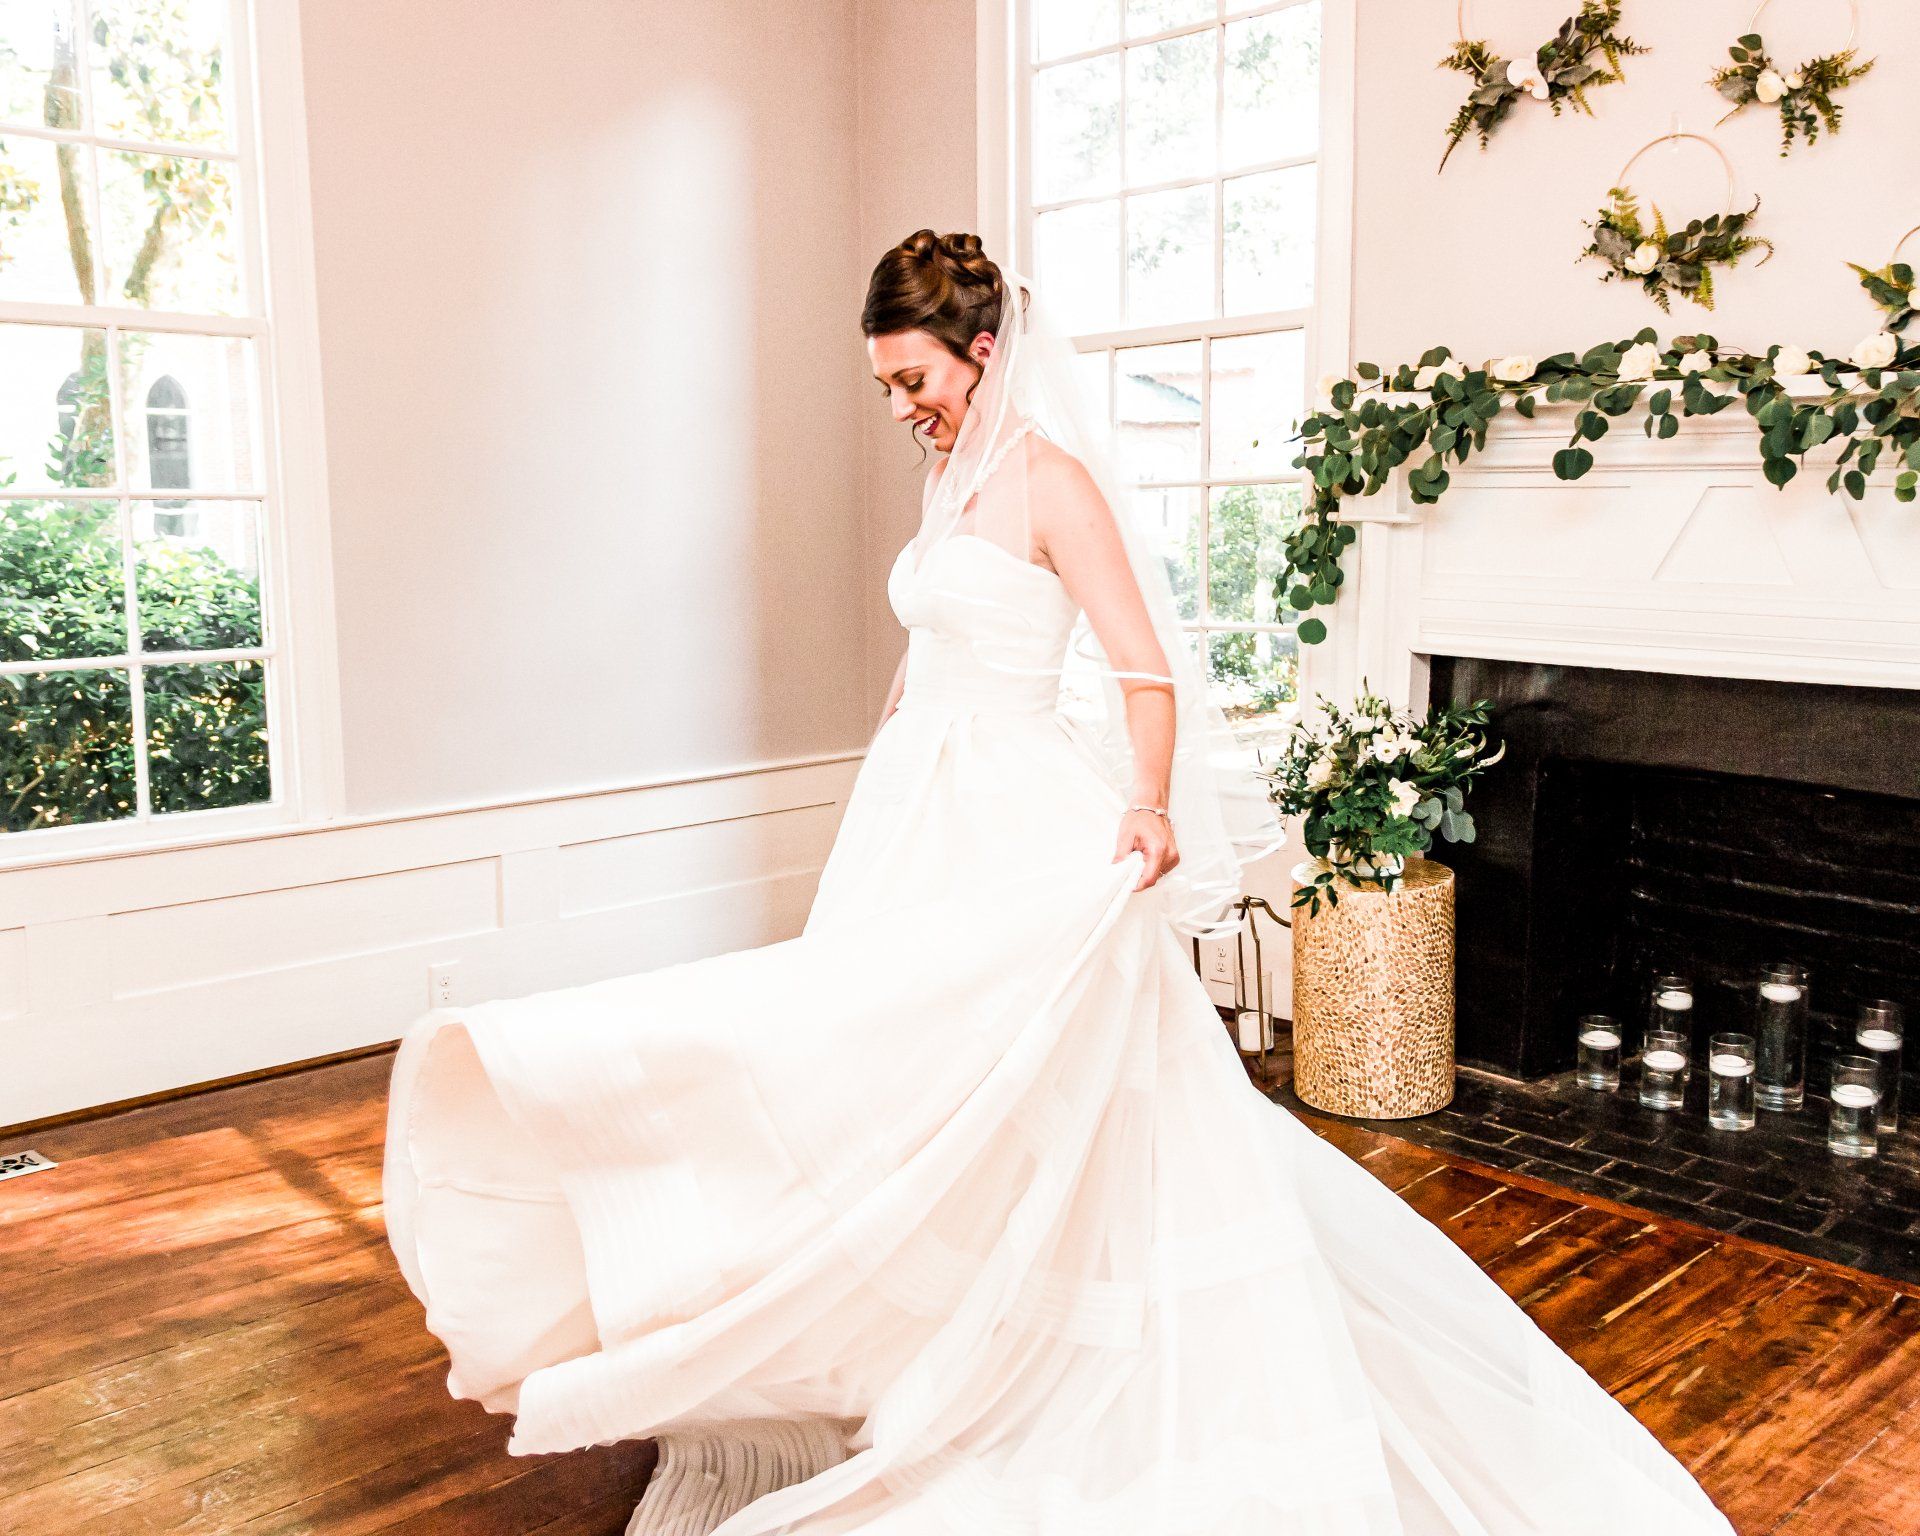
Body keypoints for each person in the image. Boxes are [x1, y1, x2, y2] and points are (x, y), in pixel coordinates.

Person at [382, 231, 1740, 1534]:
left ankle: (1049, 1355)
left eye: (915, 379)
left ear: (984, 349)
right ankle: (916, 1343)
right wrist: (894, 756)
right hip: (919, 806)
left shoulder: (1051, 480)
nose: (903, 407)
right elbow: (936, 656)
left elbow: (1142, 666)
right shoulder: (952, 478)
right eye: (886, 388)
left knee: (1039, 1094)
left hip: (1022, 813)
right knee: (889, 1081)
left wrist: (1146, 806)